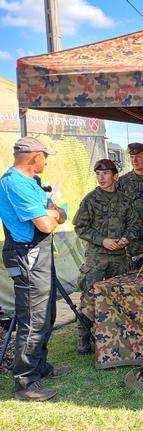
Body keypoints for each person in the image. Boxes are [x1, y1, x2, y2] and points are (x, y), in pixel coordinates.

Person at [0, 136, 70, 401]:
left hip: (39, 255)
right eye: (45, 156)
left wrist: (52, 213)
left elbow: (59, 213)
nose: (46, 161)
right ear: (35, 157)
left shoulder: (30, 184)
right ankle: (26, 383)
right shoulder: (14, 184)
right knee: (32, 319)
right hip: (26, 255)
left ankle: (39, 367)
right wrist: (52, 214)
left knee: (46, 314)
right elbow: (47, 224)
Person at [72, 159, 138, 355]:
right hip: (97, 258)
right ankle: (84, 337)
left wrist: (127, 238)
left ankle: (115, 337)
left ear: (115, 176)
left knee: (118, 297)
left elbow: (134, 225)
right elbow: (80, 227)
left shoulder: (125, 201)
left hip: (119, 258)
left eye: (105, 173)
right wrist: (102, 240)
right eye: (98, 174)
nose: (101, 177)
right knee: (90, 298)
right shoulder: (90, 200)